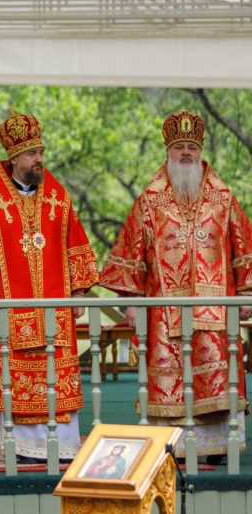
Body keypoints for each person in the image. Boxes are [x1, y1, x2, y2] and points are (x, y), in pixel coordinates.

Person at [101, 109, 252, 463]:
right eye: (179, 146)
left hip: (216, 316)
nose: (186, 152)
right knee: (170, 383)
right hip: (164, 314)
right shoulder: (149, 202)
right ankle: (173, 448)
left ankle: (215, 449)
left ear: (200, 152)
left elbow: (244, 249)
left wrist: (247, 293)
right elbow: (131, 254)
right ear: (168, 153)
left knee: (216, 380)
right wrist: (132, 302)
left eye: (191, 146)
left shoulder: (224, 199)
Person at [0, 112, 99, 463]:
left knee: (56, 370)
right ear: (15, 157)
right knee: (15, 372)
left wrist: (79, 290)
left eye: (41, 152)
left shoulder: (59, 200)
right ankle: (21, 447)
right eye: (33, 153)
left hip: (55, 312)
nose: (39, 159)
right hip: (13, 312)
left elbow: (75, 242)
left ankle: (64, 445)